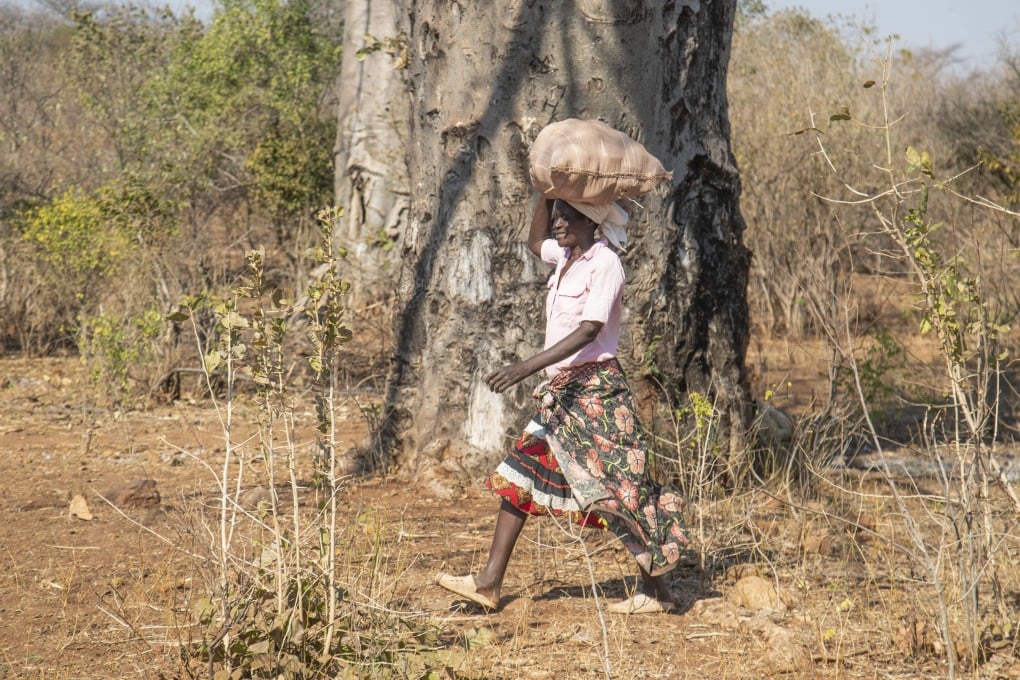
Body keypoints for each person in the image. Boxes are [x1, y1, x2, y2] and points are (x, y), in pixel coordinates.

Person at [437, 196, 688, 614]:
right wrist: (548, 191)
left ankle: (657, 590)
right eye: (557, 217)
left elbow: (591, 329)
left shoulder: (605, 263)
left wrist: (524, 366)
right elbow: (535, 241)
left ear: (592, 221)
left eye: (568, 217)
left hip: (596, 394)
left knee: (624, 489)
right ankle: (488, 583)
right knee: (520, 472)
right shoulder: (566, 257)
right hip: (562, 396)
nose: (558, 224)